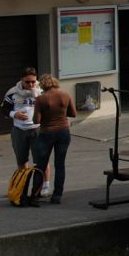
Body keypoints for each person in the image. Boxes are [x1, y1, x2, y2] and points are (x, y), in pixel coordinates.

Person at [33, 75, 77, 205]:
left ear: (42, 85)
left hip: (47, 133)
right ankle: (57, 196)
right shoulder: (65, 95)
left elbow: (36, 121)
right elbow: (73, 114)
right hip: (63, 132)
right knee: (60, 165)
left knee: (40, 165)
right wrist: (61, 113)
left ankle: (35, 195)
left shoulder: (40, 99)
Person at [2, 67, 44, 174]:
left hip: (37, 129)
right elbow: (3, 109)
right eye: (27, 82)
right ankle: (23, 185)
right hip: (19, 131)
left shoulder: (42, 91)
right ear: (21, 79)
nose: (30, 85)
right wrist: (14, 114)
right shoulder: (13, 92)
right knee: (21, 161)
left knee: (42, 160)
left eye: (33, 82)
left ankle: (44, 186)